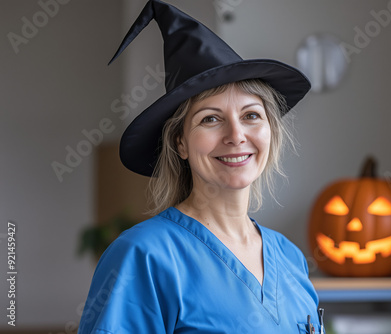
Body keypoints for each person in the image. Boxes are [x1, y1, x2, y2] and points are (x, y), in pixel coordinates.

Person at [78, 1, 322, 333]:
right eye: (211, 119)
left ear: (270, 131)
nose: (236, 136)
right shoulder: (143, 257)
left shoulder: (291, 259)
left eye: (251, 115)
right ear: (180, 143)